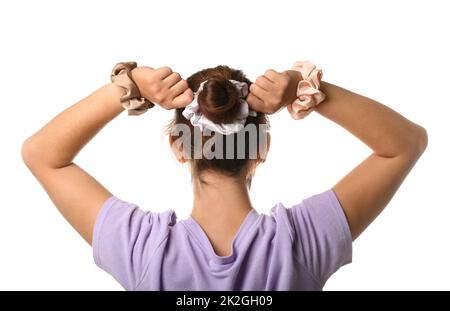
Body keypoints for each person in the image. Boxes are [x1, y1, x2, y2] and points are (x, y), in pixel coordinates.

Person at [21, 61, 427, 290]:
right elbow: (405, 143)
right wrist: (304, 90)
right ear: (262, 148)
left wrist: (129, 85)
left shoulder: (142, 248)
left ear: (179, 146)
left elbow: (42, 155)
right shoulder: (302, 241)